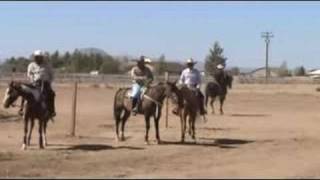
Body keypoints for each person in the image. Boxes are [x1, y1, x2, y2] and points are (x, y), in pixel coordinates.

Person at [20, 50, 56, 118]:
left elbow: (52, 75)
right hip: (34, 83)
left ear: (42, 57)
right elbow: (29, 74)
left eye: (39, 57)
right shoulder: (31, 65)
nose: (38, 58)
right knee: (24, 91)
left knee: (51, 94)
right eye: (36, 57)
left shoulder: (47, 65)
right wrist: (32, 79)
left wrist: (49, 82)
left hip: (45, 83)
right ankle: (22, 109)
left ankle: (51, 111)